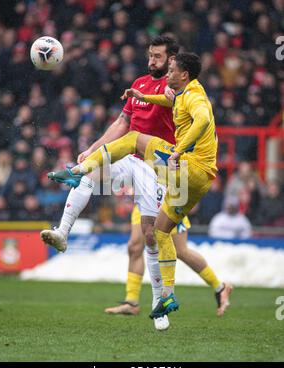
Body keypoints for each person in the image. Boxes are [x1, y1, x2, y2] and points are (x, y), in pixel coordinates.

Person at [46, 47, 232, 323]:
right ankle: (164, 297)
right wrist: (142, 96)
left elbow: (203, 118)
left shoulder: (193, 95)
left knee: (134, 138)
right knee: (159, 234)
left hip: (181, 167)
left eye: (169, 68)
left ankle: (78, 170)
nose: (163, 70)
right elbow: (168, 104)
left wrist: (180, 150)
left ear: (183, 73)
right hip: (195, 181)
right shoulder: (177, 93)